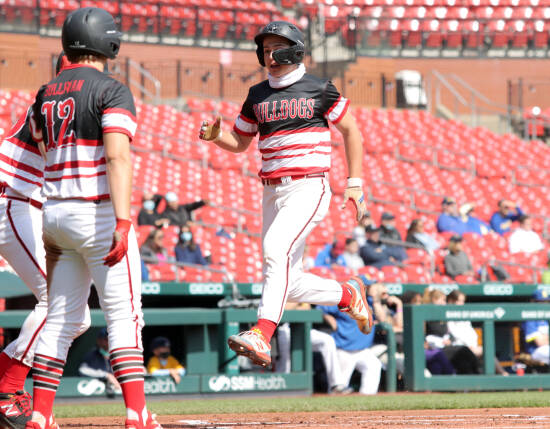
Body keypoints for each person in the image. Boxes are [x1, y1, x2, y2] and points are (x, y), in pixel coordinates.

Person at [198, 20, 372, 367]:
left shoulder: (319, 88)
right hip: (271, 191)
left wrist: (355, 183)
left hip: (309, 185)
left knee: (274, 250)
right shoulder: (257, 94)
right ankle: (346, 293)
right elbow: (241, 142)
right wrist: (218, 136)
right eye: (264, 50)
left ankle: (261, 332)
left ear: (294, 49)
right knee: (287, 282)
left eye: (276, 48)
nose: (269, 56)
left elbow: (351, 131)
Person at [25, 8, 161, 429]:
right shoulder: (112, 89)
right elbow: (118, 155)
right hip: (98, 211)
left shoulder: (46, 92)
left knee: (61, 318)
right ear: (109, 42)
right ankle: (136, 413)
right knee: (125, 315)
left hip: (55, 213)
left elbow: (37, 137)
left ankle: (40, 415)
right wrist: (124, 220)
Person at [0, 53, 92, 429]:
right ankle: (7, 390)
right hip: (12, 198)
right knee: (57, 301)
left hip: (24, 203)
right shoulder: (57, 97)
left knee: (77, 314)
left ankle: (10, 384)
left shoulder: (60, 97)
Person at [275, 302, 349, 394]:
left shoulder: (300, 291)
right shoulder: (285, 290)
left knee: (327, 340)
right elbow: (283, 309)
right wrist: (298, 301)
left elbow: (306, 309)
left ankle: (336, 385)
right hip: (283, 329)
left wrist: (297, 303)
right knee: (285, 367)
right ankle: (278, 391)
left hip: (301, 328)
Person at [319, 299, 382, 395]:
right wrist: (329, 318)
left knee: (374, 365)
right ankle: (334, 407)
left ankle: (367, 399)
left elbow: (383, 319)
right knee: (339, 387)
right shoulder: (345, 299)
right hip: (343, 349)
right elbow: (320, 309)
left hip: (363, 350)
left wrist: (377, 302)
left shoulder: (370, 301)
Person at [446, 290, 508, 376]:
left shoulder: (464, 316)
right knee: (481, 352)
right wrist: (469, 347)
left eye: (463, 301)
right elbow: (454, 334)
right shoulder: (446, 315)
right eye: (459, 301)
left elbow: (472, 334)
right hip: (456, 349)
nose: (461, 304)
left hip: (471, 348)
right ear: (451, 301)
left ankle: (502, 375)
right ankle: (502, 374)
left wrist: (472, 346)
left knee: (486, 351)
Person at [424, 289, 479, 374]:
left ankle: (471, 384)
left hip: (446, 347)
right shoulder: (427, 315)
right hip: (434, 349)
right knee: (463, 350)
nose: (444, 303)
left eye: (445, 300)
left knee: (462, 360)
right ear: (434, 300)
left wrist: (450, 340)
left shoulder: (442, 316)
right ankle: (477, 376)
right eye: (442, 300)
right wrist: (442, 340)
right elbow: (428, 335)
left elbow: (450, 334)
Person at [78, 328, 121, 397]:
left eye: (110, 339)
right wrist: (106, 375)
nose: (108, 342)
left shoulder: (118, 355)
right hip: (98, 391)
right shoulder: (92, 355)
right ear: (99, 340)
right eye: (105, 339)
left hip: (119, 390)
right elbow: (82, 370)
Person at [523, 290, 550, 364]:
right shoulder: (530, 318)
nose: (544, 304)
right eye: (540, 302)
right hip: (535, 352)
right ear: (532, 302)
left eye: (546, 302)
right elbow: (540, 343)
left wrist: (545, 337)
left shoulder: (546, 318)